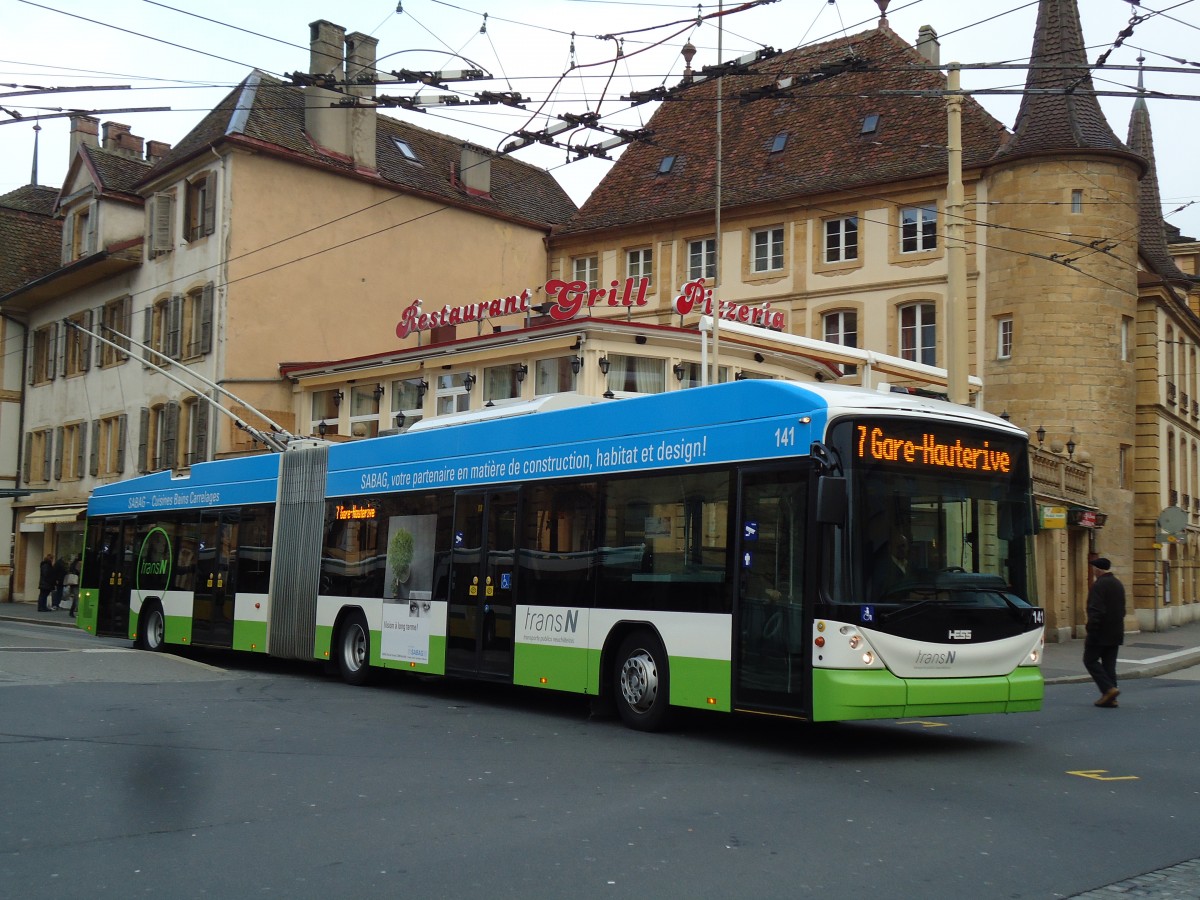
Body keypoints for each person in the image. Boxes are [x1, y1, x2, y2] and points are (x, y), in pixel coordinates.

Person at [1083, 556, 1126, 708]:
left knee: (1090, 660)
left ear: (1097, 570)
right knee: (1109, 665)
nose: (1093, 571)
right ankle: (1111, 698)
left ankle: (1108, 689)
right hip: (1116, 632)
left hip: (1100, 633)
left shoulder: (1099, 585)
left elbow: (1096, 610)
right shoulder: (1118, 584)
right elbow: (1122, 610)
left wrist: (1091, 629)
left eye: (1094, 568)